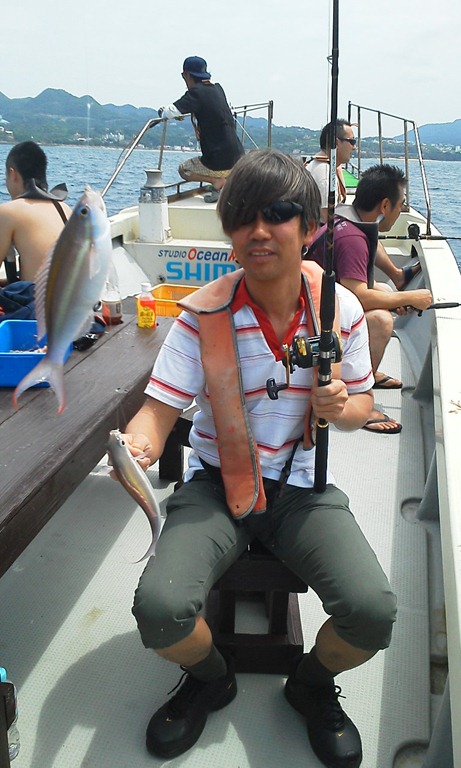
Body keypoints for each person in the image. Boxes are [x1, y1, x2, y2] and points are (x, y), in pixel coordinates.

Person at [117, 149, 397, 768]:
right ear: (229, 229)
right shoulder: (201, 316)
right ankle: (211, 677)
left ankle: (311, 683)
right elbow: (157, 414)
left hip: (303, 490)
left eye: (278, 213)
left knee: (372, 612)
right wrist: (136, 445)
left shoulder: (340, 309)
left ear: (311, 226)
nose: (259, 230)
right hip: (216, 485)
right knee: (159, 612)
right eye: (243, 216)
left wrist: (339, 405)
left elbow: (361, 408)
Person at [307, 163, 433, 434]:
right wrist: (411, 297)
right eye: (400, 205)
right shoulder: (353, 239)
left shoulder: (344, 220)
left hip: (319, 304)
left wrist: (395, 297)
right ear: (385, 205)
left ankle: (368, 372)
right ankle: (357, 398)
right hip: (315, 322)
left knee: (385, 292)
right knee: (380, 321)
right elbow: (358, 298)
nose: (400, 211)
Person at [307, 120, 421, 291]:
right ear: (336, 142)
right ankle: (396, 276)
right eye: (352, 141)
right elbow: (327, 219)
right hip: (323, 247)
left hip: (325, 239)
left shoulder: (327, 167)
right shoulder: (324, 173)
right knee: (364, 228)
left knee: (365, 226)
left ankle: (396, 276)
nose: (354, 147)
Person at [157, 56, 244, 202]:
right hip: (238, 157)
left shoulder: (196, 93)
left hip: (219, 160)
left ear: (186, 75)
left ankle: (217, 181)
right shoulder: (218, 89)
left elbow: (168, 112)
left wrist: (161, 112)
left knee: (184, 169)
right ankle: (226, 181)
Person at [0, 141, 71, 284]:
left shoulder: (9, 211)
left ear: (13, 174)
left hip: (37, 298)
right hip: (66, 296)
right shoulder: (64, 209)